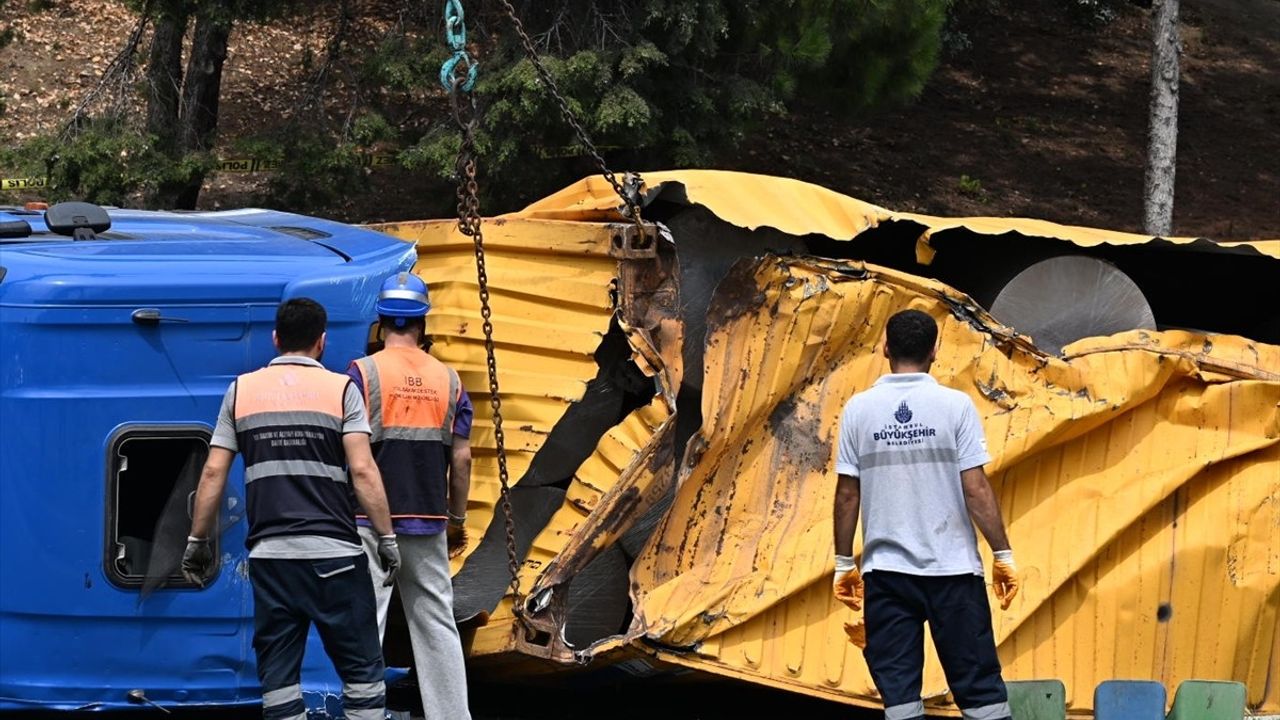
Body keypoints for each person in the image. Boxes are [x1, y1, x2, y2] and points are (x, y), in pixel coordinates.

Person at [182, 298, 401, 720]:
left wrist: (196, 542)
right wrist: (387, 539)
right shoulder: (342, 391)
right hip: (336, 557)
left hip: (271, 559)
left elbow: (212, 474)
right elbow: (363, 471)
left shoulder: (240, 391)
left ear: (275, 339)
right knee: (362, 677)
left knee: (279, 684)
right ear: (322, 342)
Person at [832, 309, 1019, 720]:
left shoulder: (858, 411)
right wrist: (1002, 553)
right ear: (935, 350)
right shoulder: (956, 407)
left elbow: (848, 496)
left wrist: (844, 563)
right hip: (953, 573)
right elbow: (975, 488)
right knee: (981, 693)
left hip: (887, 575)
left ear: (886, 348)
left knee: (899, 700)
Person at [347, 272, 474, 720]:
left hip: (369, 520)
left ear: (382, 322)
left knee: (367, 624)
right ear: (422, 323)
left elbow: (352, 452)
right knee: (436, 623)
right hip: (428, 520)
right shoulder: (451, 380)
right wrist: (456, 518)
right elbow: (460, 462)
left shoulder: (362, 374)